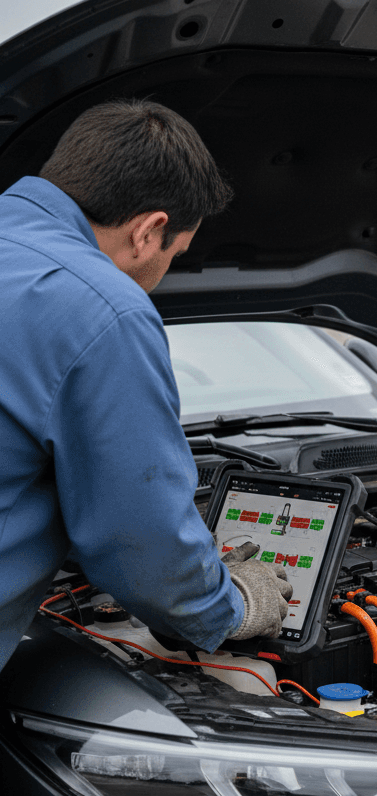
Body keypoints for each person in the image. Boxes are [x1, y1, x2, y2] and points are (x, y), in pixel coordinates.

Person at [0, 98, 291, 672]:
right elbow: (141, 543)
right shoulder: (102, 308)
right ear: (149, 231)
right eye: (176, 256)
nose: (163, 275)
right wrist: (228, 604)